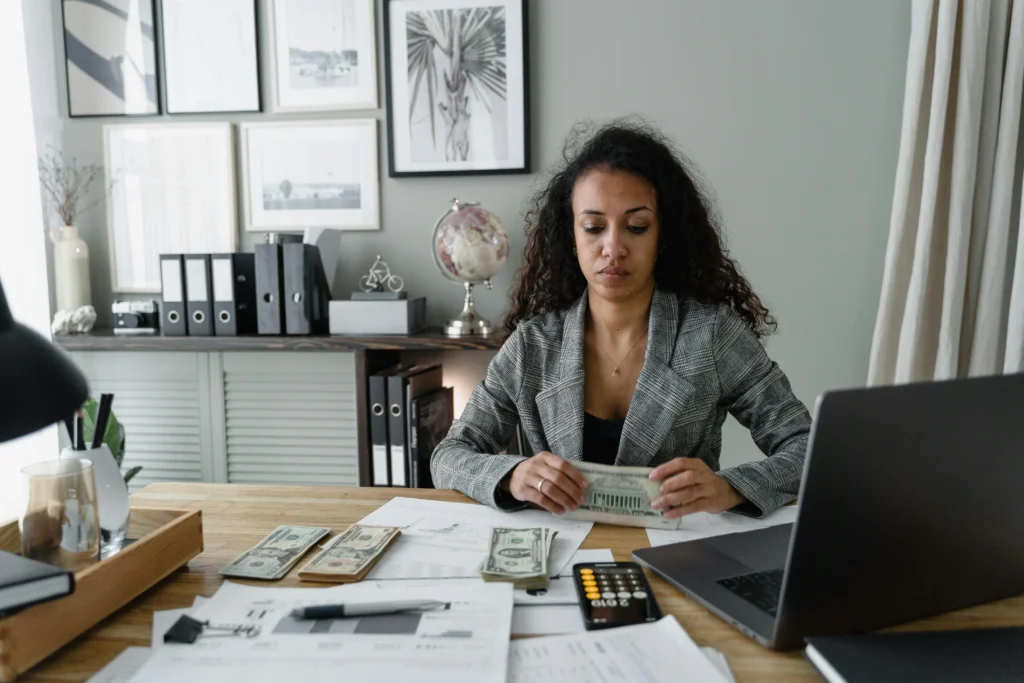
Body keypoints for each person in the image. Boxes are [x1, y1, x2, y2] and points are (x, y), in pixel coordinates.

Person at [430, 121, 811, 520]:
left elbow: (807, 446)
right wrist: (513, 475)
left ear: (662, 234)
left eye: (636, 227)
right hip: (558, 562)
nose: (613, 248)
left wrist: (730, 488)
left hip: (676, 559)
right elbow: (448, 457)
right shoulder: (532, 346)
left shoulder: (711, 335)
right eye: (593, 228)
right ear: (571, 237)